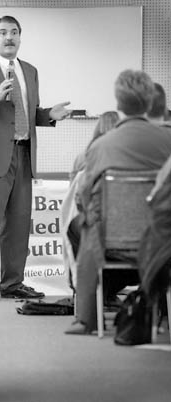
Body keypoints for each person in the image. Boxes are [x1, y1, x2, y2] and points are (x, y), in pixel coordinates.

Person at [0, 15, 71, 301]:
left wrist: (47, 116)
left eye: (15, 32)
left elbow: (27, 113)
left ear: (20, 38)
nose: (9, 37)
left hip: (23, 154)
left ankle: (13, 283)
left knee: (19, 225)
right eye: (4, 33)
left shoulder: (30, 71)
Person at [65, 69, 171, 334]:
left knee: (81, 226)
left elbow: (83, 198)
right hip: (163, 240)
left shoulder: (101, 146)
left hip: (110, 244)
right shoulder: (167, 142)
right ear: (149, 103)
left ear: (119, 103)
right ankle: (162, 308)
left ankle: (88, 313)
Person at [62, 111, 119, 290]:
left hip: (96, 230)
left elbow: (76, 198)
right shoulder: (129, 159)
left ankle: (83, 290)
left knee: (77, 231)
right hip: (129, 233)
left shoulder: (84, 158)